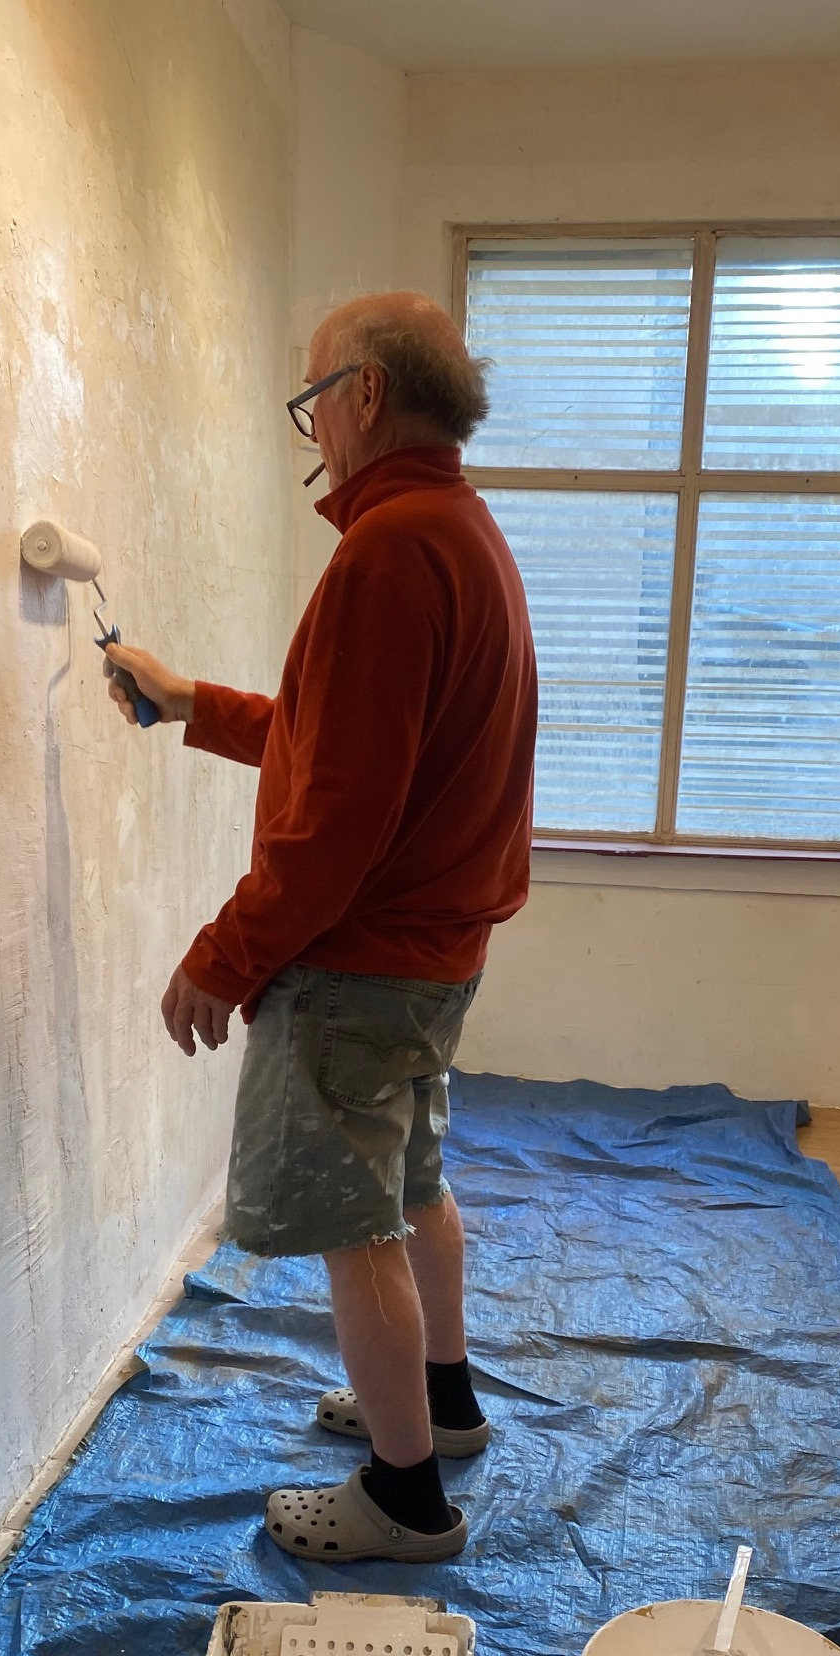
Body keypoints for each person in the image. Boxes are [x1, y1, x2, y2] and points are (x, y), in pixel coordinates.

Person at [104, 291, 537, 1565]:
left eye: (312, 401)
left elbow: (337, 818)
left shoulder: (386, 555)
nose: (312, 432)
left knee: (359, 1228)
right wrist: (191, 702)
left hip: (361, 963)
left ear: (364, 395)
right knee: (412, 1185)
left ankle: (406, 1500)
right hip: (433, 955)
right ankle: (442, 1406)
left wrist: (221, 957)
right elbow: (339, 740)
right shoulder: (460, 532)